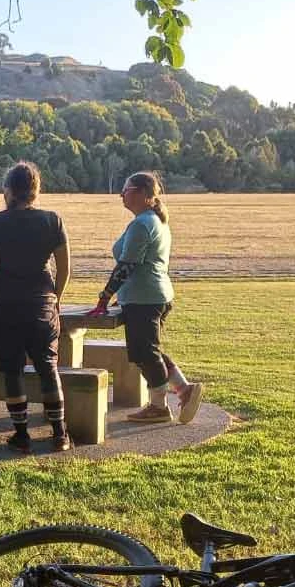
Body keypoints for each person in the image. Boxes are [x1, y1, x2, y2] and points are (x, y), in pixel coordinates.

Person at [86, 171, 202, 424]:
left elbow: (127, 265)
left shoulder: (142, 224)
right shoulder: (153, 220)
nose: (121, 194)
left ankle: (158, 407)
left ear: (140, 193)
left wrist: (104, 296)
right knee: (150, 351)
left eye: (126, 189)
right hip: (150, 296)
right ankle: (184, 389)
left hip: (144, 299)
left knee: (145, 354)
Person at [0, 161, 73, 453]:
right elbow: (65, 268)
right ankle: (59, 434)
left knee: (12, 371)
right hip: (41, 304)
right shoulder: (52, 220)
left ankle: (21, 435)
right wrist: (54, 297)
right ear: (36, 189)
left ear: (8, 190)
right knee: (48, 367)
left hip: (4, 305)